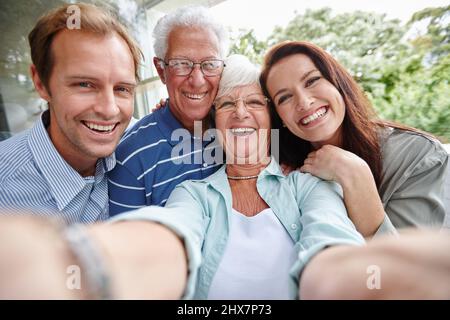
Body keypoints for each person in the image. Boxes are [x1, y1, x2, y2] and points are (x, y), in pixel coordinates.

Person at [0, 54, 366, 299]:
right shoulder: (194, 194)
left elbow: (330, 245)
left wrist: (355, 280)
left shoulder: (308, 186)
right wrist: (85, 262)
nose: (240, 114)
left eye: (254, 103)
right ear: (213, 123)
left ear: (272, 118)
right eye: (226, 104)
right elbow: (170, 232)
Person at [260, 41, 449, 238]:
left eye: (311, 81)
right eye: (284, 98)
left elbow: (407, 265)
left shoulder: (418, 156)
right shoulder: (280, 169)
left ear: (338, 82)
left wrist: (354, 174)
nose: (304, 102)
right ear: (279, 117)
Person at [0, 3, 141, 224]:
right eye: (85, 84)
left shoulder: (138, 143)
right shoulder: (4, 186)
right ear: (41, 83)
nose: (109, 109)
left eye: (122, 89)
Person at [108, 6, 228, 214]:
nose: (197, 81)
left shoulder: (237, 129)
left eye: (209, 64)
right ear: (161, 70)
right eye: (181, 64)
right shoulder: (131, 157)